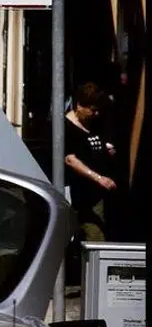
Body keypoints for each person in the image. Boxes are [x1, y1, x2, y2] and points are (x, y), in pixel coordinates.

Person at [64, 81, 116, 245]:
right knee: (94, 237)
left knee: (95, 235)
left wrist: (108, 149)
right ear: (79, 106)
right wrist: (97, 177)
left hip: (96, 194)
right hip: (77, 192)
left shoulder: (95, 124)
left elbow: (100, 143)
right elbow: (70, 159)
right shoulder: (66, 127)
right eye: (93, 110)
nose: (96, 114)